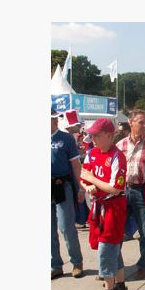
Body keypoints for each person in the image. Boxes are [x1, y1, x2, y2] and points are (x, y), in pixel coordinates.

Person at [79, 117, 129, 290]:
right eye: (92, 135)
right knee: (112, 247)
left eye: (97, 135)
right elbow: (83, 176)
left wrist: (92, 180)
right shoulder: (91, 153)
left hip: (113, 207)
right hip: (98, 206)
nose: (93, 138)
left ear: (109, 136)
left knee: (106, 248)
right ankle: (120, 286)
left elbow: (115, 188)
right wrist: (87, 185)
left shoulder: (118, 156)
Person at [116, 109, 145, 281]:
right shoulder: (120, 145)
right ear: (131, 122)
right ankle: (113, 264)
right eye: (141, 122)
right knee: (117, 229)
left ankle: (143, 264)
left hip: (142, 191)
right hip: (121, 191)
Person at [51, 109, 85, 280]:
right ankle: (55, 265)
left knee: (66, 227)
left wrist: (81, 187)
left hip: (62, 186)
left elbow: (76, 165)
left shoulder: (65, 139)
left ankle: (77, 262)